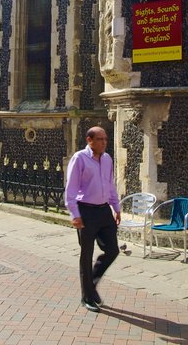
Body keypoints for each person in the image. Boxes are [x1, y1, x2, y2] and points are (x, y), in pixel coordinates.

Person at [65, 126, 121, 313]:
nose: (105, 142)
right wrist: (75, 215)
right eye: (100, 139)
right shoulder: (79, 158)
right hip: (86, 211)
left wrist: (116, 207)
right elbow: (71, 189)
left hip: (104, 211)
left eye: (105, 139)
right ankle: (87, 297)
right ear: (90, 140)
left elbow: (110, 185)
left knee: (113, 250)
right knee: (86, 255)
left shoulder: (107, 159)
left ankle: (92, 283)